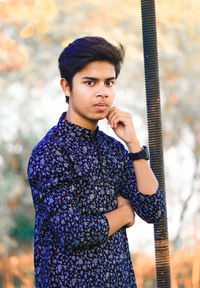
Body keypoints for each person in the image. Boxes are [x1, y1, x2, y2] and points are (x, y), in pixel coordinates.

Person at [27, 36, 165, 288]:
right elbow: (73, 231)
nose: (102, 91)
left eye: (109, 82)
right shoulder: (50, 152)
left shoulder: (113, 148)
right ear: (66, 87)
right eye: (90, 82)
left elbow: (153, 210)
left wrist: (133, 145)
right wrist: (124, 214)